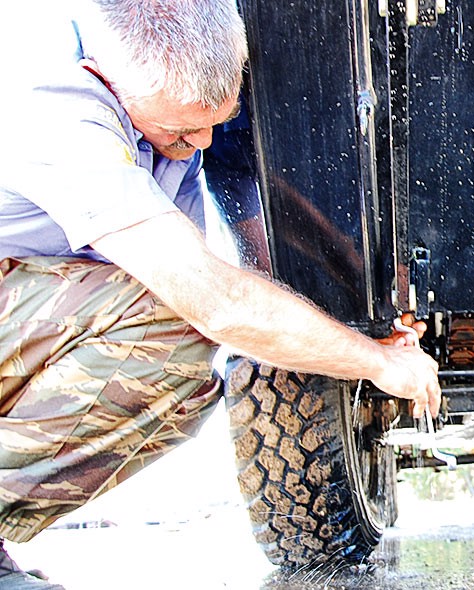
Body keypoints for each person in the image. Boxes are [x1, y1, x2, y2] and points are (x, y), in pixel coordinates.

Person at [0, 1, 441, 587]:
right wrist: (380, 363)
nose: (202, 142)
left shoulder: (160, 120)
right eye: (183, 131)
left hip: (31, 313)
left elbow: (260, 249)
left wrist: (368, 289)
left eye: (216, 121)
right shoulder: (58, 111)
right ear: (110, 78)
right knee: (178, 321)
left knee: (187, 377)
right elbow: (217, 300)